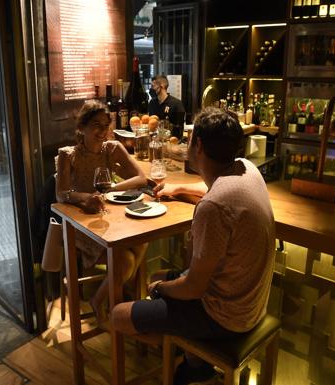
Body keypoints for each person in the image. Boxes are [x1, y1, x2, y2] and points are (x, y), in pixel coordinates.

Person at [112, 107, 276, 385]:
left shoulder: (213, 208)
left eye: (189, 138)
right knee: (157, 276)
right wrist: (177, 189)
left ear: (197, 144)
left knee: (120, 314)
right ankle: (193, 360)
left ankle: (191, 357)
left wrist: (160, 291)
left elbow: (193, 288)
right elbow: (215, 188)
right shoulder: (247, 170)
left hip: (224, 317)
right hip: (251, 304)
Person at [56, 100, 149, 322]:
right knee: (126, 260)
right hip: (82, 223)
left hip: (109, 217)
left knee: (142, 241)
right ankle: (102, 299)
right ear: (82, 127)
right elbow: (61, 194)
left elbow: (140, 178)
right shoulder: (68, 155)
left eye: (106, 125)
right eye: (96, 125)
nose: (103, 131)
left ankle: (123, 294)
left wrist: (111, 189)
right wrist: (84, 198)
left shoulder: (112, 148)